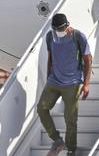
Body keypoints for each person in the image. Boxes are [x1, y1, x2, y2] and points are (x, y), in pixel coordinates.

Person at [36, 13, 92, 156]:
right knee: (41, 108)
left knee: (70, 119)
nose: (58, 32)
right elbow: (50, 57)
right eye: (55, 29)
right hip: (54, 81)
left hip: (72, 83)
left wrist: (86, 84)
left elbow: (88, 60)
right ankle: (57, 139)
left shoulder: (78, 37)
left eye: (60, 29)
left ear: (67, 25)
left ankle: (71, 150)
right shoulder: (50, 36)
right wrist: (49, 77)